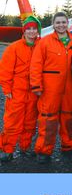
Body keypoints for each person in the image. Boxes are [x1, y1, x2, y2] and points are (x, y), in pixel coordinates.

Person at [30, 12, 72, 163]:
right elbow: (36, 64)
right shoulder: (45, 42)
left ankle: (69, 146)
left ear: (68, 23)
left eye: (63, 22)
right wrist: (36, 85)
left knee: (69, 117)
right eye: (58, 22)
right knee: (48, 119)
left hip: (70, 87)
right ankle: (44, 151)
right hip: (49, 88)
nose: (61, 25)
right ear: (53, 24)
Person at [0, 15, 41, 162]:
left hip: (34, 92)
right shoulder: (14, 48)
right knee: (12, 123)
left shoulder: (41, 46)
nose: (31, 31)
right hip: (17, 92)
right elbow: (5, 71)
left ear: (38, 31)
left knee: (30, 123)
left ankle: (25, 147)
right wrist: (7, 90)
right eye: (28, 29)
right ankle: (6, 149)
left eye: (34, 29)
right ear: (24, 31)